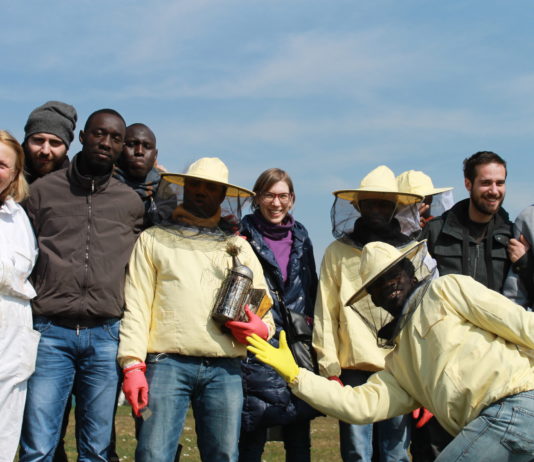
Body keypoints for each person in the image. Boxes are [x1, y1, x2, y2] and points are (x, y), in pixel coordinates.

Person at [248, 239, 534, 462]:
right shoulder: (399, 364)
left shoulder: (447, 289)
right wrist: (296, 376)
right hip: (492, 423)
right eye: (377, 285)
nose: (388, 285)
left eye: (393, 274)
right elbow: (359, 405)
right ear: (372, 300)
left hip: (517, 404)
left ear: (410, 272)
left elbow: (524, 326)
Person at [117, 157, 275, 462]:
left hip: (225, 369)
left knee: (224, 455)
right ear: (184, 188)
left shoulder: (238, 247)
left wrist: (262, 329)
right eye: (196, 185)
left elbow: (263, 307)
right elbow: (136, 305)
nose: (202, 192)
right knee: (153, 453)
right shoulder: (153, 240)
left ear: (222, 195)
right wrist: (132, 365)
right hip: (166, 365)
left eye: (211, 187)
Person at [19, 109, 145, 462]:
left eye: (115, 138)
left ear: (121, 147)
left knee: (96, 449)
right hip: (50, 334)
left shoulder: (130, 203)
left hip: (105, 336)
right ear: (83, 137)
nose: (106, 142)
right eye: (99, 134)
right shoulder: (42, 193)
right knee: (39, 447)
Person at [312, 165, 427, 462]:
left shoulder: (410, 251)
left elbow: (421, 312)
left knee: (395, 453)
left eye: (384, 203)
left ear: (395, 207)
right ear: (358, 205)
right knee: (357, 454)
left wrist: (422, 371)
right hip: (352, 369)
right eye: (371, 202)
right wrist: (329, 369)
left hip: (398, 368)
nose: (377, 208)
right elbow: (326, 311)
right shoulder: (337, 252)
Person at [418, 151, 513, 459]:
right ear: (468, 184)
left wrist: (525, 263)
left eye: (500, 183)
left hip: (494, 369)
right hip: (443, 366)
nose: (494, 190)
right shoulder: (434, 233)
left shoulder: (512, 235)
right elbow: (413, 304)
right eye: (486, 182)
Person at [237, 168, 318, 462]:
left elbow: (311, 290)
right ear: (257, 198)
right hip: (255, 346)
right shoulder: (241, 236)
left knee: (299, 442)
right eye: (269, 195)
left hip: (296, 348)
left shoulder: (302, 237)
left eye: (283, 195)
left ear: (292, 199)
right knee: (251, 436)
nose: (276, 203)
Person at [0, 131, 39, 462]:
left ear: (14, 173)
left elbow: (23, 272)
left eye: (2, 164)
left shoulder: (19, 218)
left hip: (13, 340)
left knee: (4, 436)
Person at [113, 123, 161, 226]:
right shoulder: (100, 186)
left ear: (155, 155)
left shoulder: (165, 194)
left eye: (147, 147)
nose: (139, 151)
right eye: (131, 144)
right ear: (120, 148)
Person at [22, 101, 77, 183]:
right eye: (39, 140)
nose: (45, 151)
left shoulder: (77, 187)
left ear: (67, 147)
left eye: (55, 142)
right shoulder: (5, 179)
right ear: (26, 142)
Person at [396, 170, 453, 238]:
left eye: (428, 198)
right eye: (417, 201)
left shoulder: (438, 226)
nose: (426, 205)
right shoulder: (387, 229)